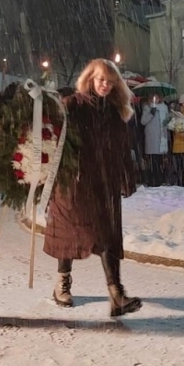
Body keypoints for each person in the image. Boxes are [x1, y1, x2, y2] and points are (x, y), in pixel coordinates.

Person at [44, 58, 142, 318]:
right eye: (101, 80)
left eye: (110, 82)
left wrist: (126, 176)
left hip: (103, 183)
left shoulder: (115, 112)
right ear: (89, 79)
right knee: (68, 232)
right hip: (73, 182)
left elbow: (123, 148)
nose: (105, 86)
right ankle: (62, 283)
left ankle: (116, 294)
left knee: (108, 234)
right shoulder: (72, 106)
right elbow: (52, 139)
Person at [140, 94, 169, 186]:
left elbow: (167, 120)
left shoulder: (164, 107)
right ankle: (152, 179)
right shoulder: (147, 107)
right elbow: (143, 121)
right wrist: (151, 113)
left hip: (162, 136)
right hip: (152, 136)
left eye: (157, 97)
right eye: (153, 98)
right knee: (152, 160)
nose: (155, 100)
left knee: (160, 159)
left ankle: (161, 178)